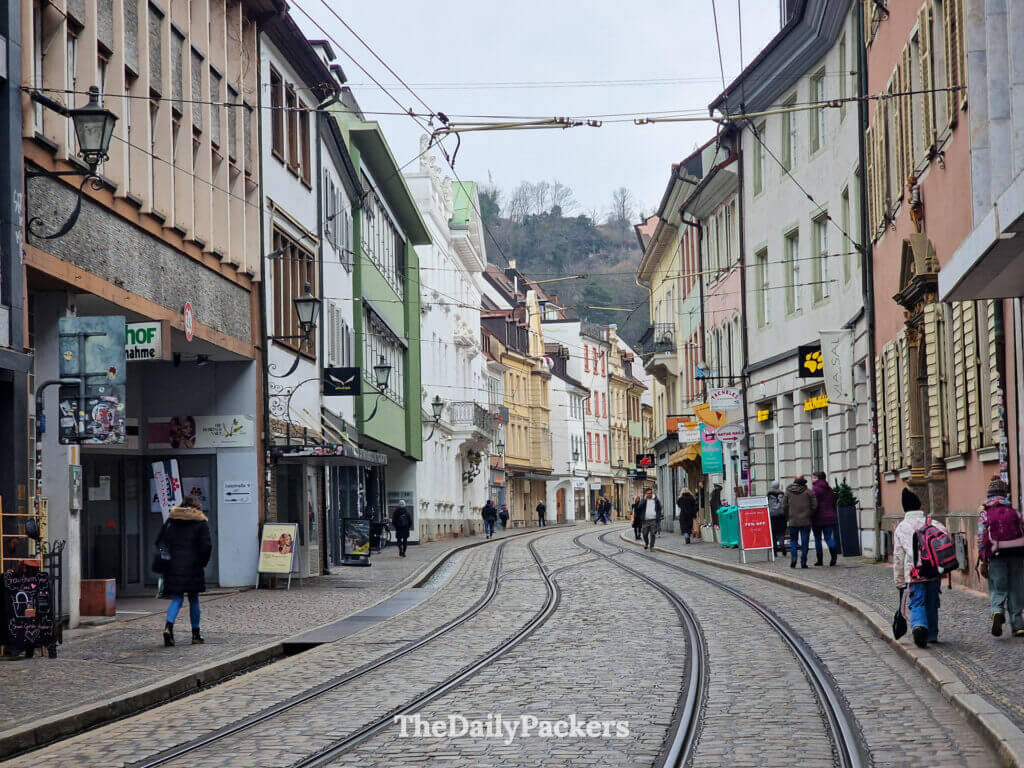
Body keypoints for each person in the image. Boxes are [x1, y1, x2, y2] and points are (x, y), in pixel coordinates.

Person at [893, 487, 949, 647]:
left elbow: (898, 556)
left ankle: (918, 626)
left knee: (917, 600)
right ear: (919, 506)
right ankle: (931, 633)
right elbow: (944, 541)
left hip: (914, 572)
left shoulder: (902, 528)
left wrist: (899, 581)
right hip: (933, 569)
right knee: (932, 601)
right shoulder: (933, 523)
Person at [158, 496, 212, 647]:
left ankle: (168, 627)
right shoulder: (200, 522)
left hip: (174, 566)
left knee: (177, 599)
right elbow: (206, 546)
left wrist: (166, 558)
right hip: (193, 566)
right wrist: (202, 562)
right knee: (193, 599)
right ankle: (196, 634)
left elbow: (161, 543)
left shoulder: (171, 521)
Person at [977, 477, 1024, 638]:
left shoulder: (985, 513)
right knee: (1016, 589)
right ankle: (1018, 625)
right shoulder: (1014, 511)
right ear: (1005, 494)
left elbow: (980, 538)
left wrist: (983, 561)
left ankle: (997, 611)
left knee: (998, 587)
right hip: (1017, 555)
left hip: (996, 556)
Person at [783, 475, 817, 569]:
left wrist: (788, 516)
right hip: (806, 521)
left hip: (793, 520)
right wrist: (810, 514)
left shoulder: (788, 492)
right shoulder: (808, 492)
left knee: (793, 541)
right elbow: (815, 506)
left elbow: (784, 505)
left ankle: (794, 558)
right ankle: (803, 561)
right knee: (805, 542)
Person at [811, 472, 840, 567]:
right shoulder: (829, 489)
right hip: (829, 517)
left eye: (814, 478)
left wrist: (811, 514)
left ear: (818, 478)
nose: (813, 479)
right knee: (828, 538)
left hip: (817, 518)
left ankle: (820, 560)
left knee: (817, 539)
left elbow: (813, 504)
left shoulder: (815, 489)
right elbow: (834, 502)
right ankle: (834, 557)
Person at [768, 481, 786, 555]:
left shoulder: (768, 495)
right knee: (781, 533)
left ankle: (775, 550)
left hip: (772, 517)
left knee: (773, 534)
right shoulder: (783, 494)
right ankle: (782, 545)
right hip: (781, 517)